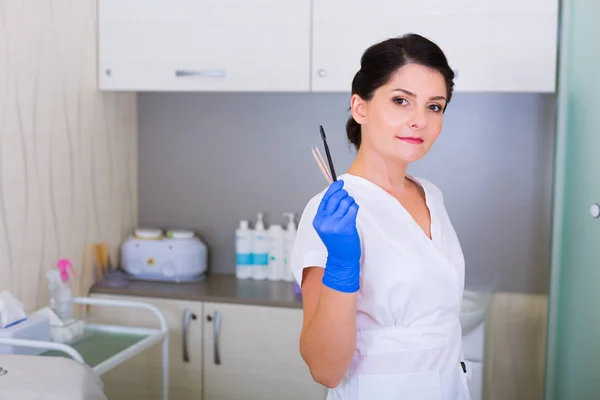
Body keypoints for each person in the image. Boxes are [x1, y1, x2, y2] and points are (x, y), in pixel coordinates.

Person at [290, 33, 471, 400]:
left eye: (434, 107)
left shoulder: (431, 195)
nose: (419, 120)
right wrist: (342, 264)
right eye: (401, 101)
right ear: (360, 108)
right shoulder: (332, 212)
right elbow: (325, 369)